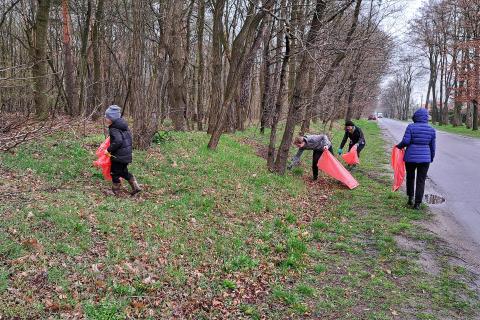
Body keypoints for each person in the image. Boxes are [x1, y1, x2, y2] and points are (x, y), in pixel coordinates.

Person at [396, 108, 436, 210]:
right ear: (426, 118)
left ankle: (410, 198)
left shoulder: (411, 127)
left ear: (415, 117)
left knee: (410, 177)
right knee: (421, 180)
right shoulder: (431, 130)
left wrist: (398, 147)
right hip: (425, 159)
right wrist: (431, 157)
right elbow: (433, 147)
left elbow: (406, 141)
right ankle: (417, 204)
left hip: (410, 158)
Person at [104, 105, 141, 196]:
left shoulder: (114, 128)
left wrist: (108, 150)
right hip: (126, 155)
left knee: (114, 172)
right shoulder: (123, 126)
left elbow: (118, 141)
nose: (105, 119)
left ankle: (116, 191)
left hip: (118, 156)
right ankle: (135, 186)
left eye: (107, 117)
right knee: (123, 171)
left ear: (112, 118)